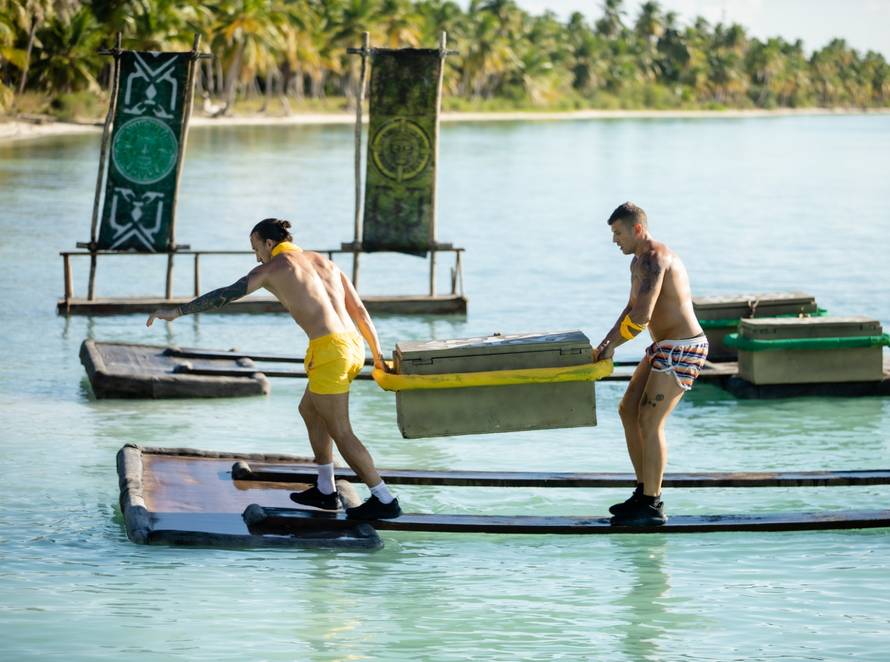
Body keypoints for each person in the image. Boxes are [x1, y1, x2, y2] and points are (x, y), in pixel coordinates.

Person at [146, 218, 401, 520]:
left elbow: (225, 294)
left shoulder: (272, 268)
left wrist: (177, 311)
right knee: (309, 410)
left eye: (256, 248)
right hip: (353, 346)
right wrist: (377, 355)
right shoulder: (325, 262)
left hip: (330, 352)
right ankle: (325, 489)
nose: (257, 257)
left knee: (341, 431)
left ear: (269, 243)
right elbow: (359, 311)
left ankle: (384, 499)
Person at [592, 203, 707, 526]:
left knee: (650, 420)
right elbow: (631, 307)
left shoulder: (655, 258)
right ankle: (642, 492)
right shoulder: (637, 262)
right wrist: (605, 343)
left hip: (683, 347)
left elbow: (642, 318)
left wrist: (613, 345)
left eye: (618, 232)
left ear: (638, 229)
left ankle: (653, 504)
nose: (614, 240)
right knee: (628, 410)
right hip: (663, 347)